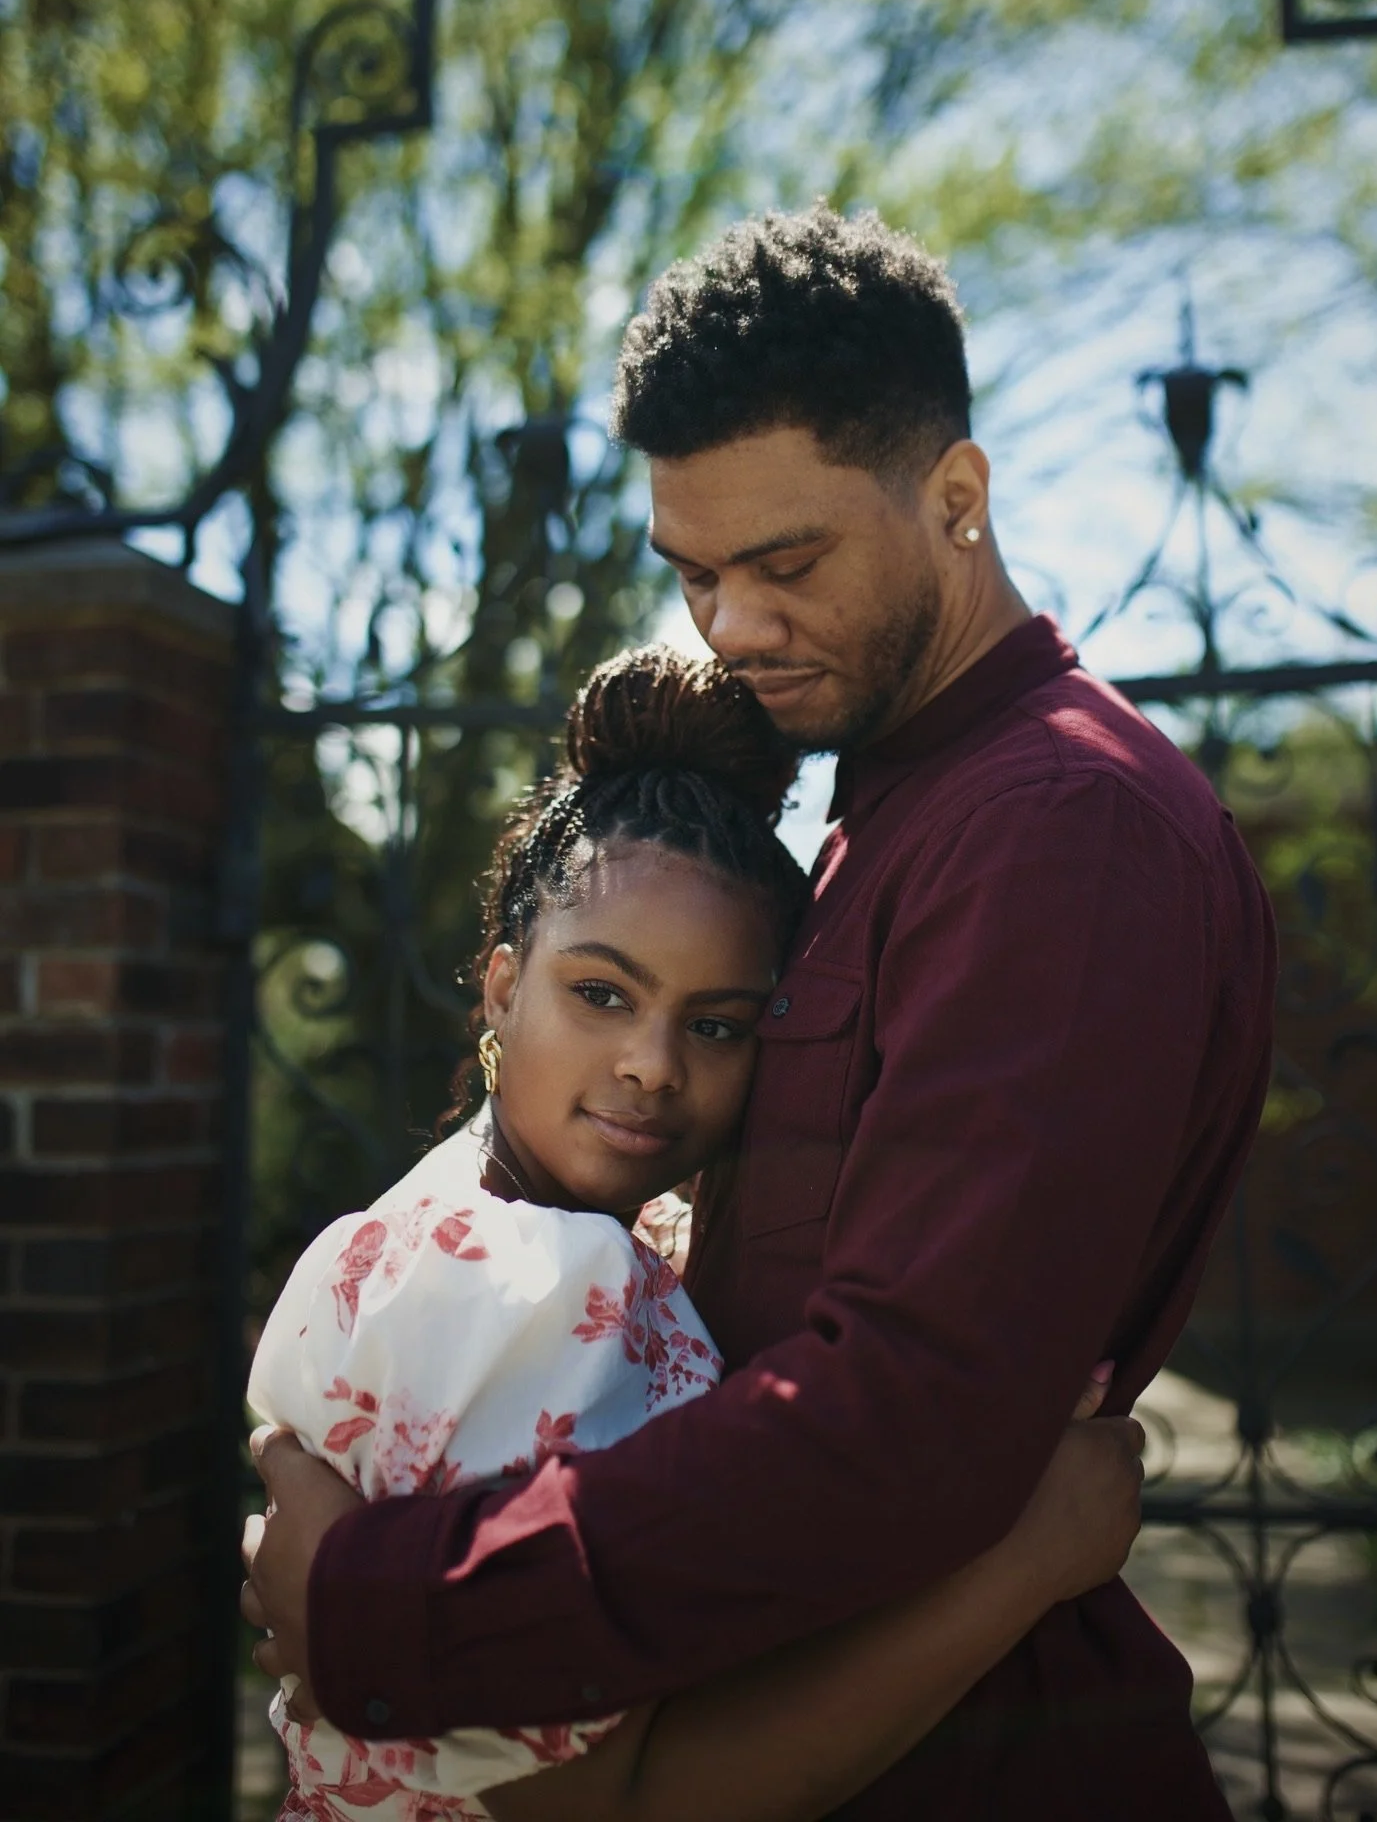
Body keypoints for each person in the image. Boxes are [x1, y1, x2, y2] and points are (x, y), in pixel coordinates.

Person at [244, 203, 1277, 1820]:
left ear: (956, 495)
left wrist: (396, 1603)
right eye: (696, 570)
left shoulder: (1055, 823)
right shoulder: (892, 800)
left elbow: (907, 1418)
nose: (727, 624)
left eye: (783, 563)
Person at [246, 643, 1144, 1822]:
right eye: (602, 995)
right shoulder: (527, 1285)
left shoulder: (463, 1223)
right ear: (501, 985)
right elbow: (621, 1808)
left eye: (717, 1027)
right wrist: (1028, 1562)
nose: (651, 1067)